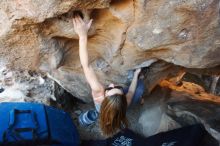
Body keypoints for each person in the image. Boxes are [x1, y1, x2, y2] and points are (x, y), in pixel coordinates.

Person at [73, 15, 145, 137]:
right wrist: (136, 76)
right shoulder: (124, 103)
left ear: (105, 96)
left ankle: (100, 116)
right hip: (117, 108)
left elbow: (86, 66)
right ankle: (115, 117)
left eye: (109, 89)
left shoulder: (99, 93)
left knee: (103, 114)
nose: (111, 85)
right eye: (117, 88)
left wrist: (82, 35)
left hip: (102, 109)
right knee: (140, 88)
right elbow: (131, 92)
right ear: (122, 99)